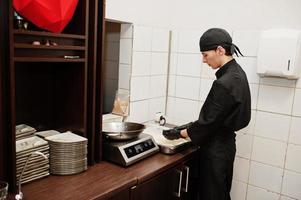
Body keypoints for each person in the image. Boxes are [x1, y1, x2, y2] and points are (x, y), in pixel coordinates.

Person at [163, 28, 251, 200]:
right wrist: (193, 126)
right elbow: (216, 117)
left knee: (212, 195)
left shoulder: (224, 83)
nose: (203, 60)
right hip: (226, 146)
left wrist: (180, 132)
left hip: (216, 149)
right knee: (221, 192)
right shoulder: (238, 73)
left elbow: (206, 124)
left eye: (205, 55)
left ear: (220, 50)